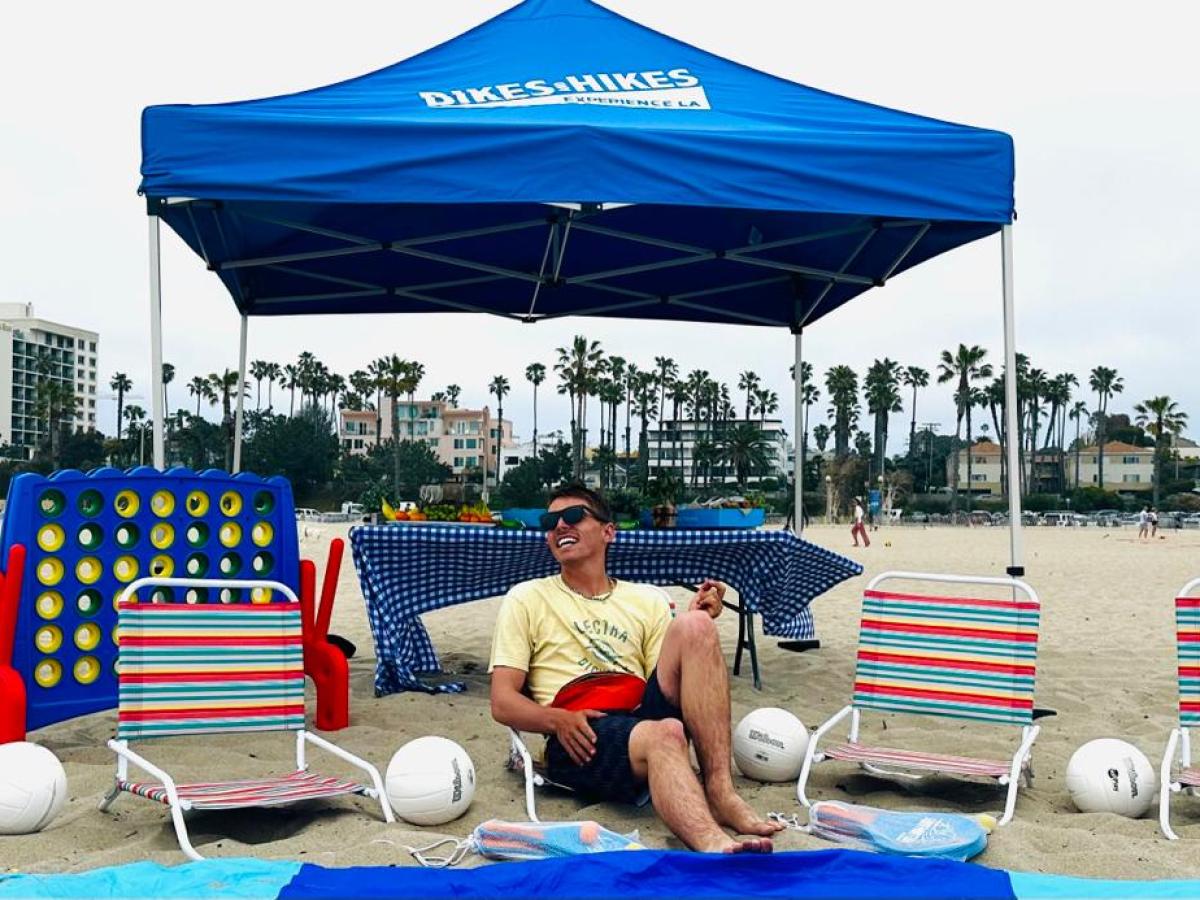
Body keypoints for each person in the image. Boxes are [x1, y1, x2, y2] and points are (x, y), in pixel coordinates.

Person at [489, 484, 781, 854]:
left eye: (574, 516)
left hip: (640, 711)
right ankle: (712, 843)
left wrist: (696, 624)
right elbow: (502, 701)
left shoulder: (645, 599)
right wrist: (557, 720)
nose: (560, 525)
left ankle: (721, 792)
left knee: (696, 628)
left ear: (608, 531)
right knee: (666, 733)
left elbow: (667, 681)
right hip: (579, 732)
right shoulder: (527, 598)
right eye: (551, 521)